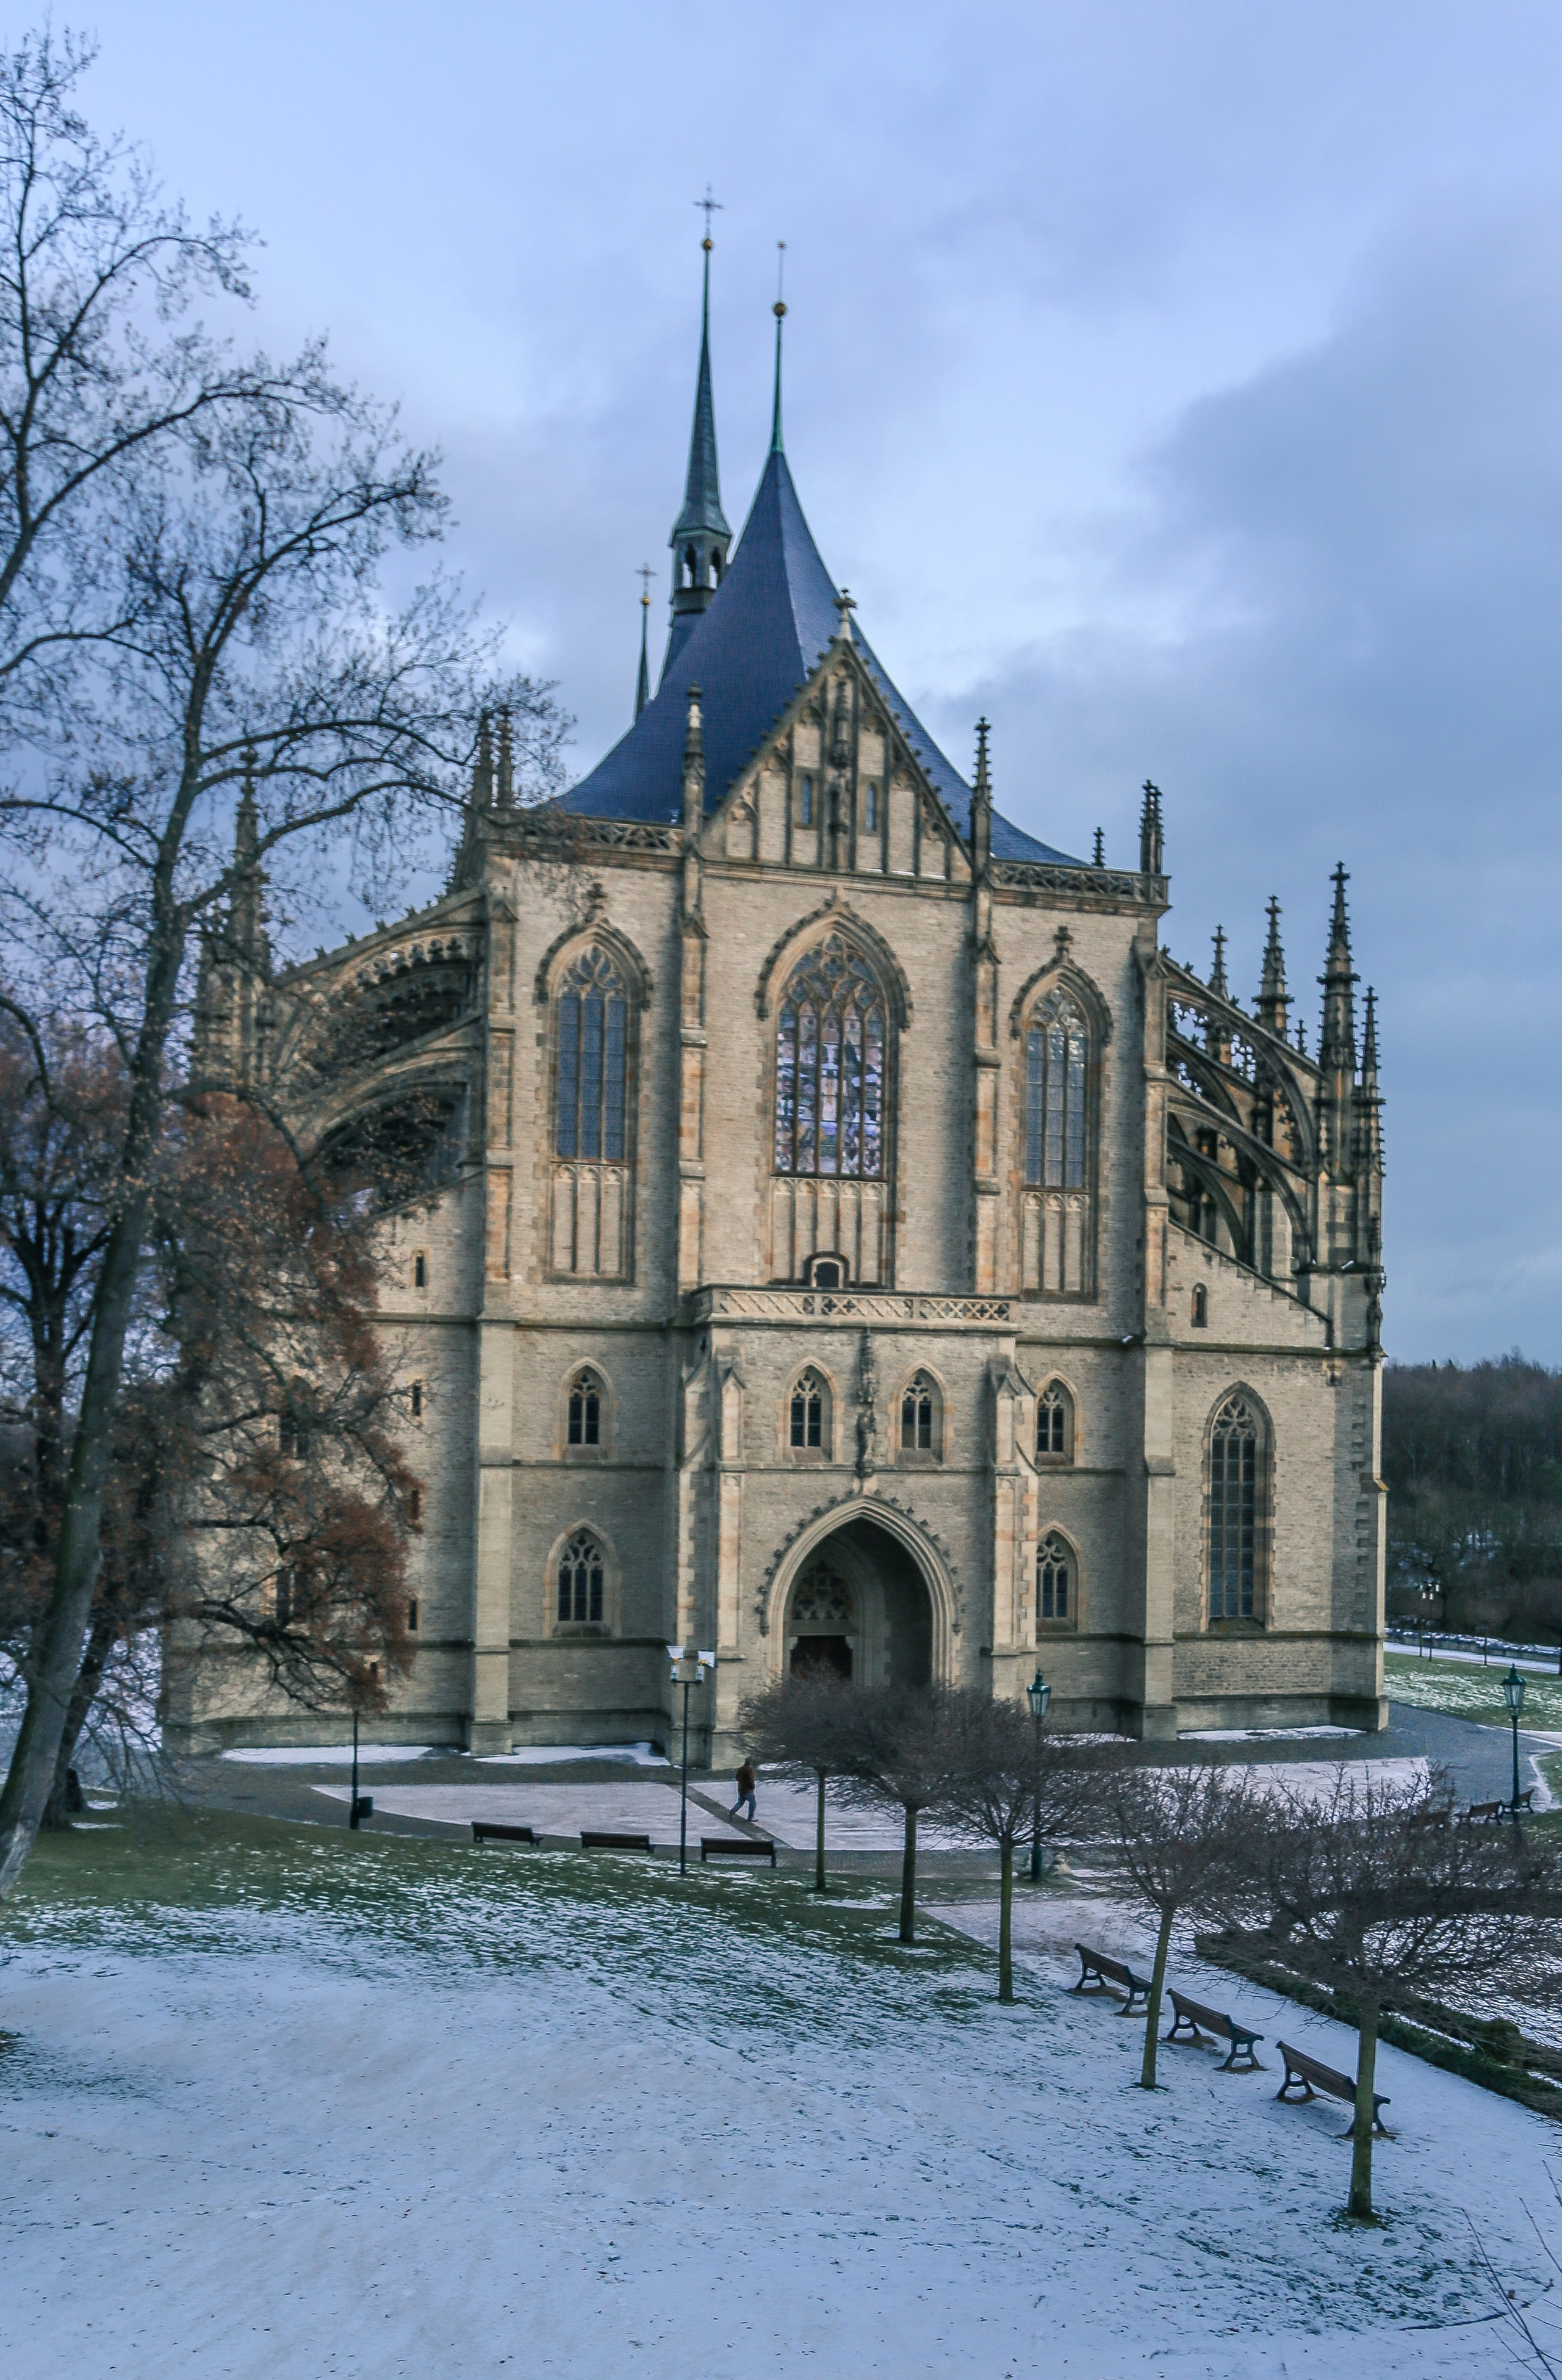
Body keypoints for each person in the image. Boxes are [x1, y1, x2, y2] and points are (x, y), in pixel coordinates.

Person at [729, 1758, 757, 1824]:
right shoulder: (750, 1770)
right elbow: (751, 1780)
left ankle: (732, 1812)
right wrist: (753, 1787)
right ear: (750, 1764)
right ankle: (750, 1817)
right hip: (748, 1790)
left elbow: (737, 1778)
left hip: (741, 1789)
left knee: (740, 1803)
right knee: (753, 1803)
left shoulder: (741, 1769)